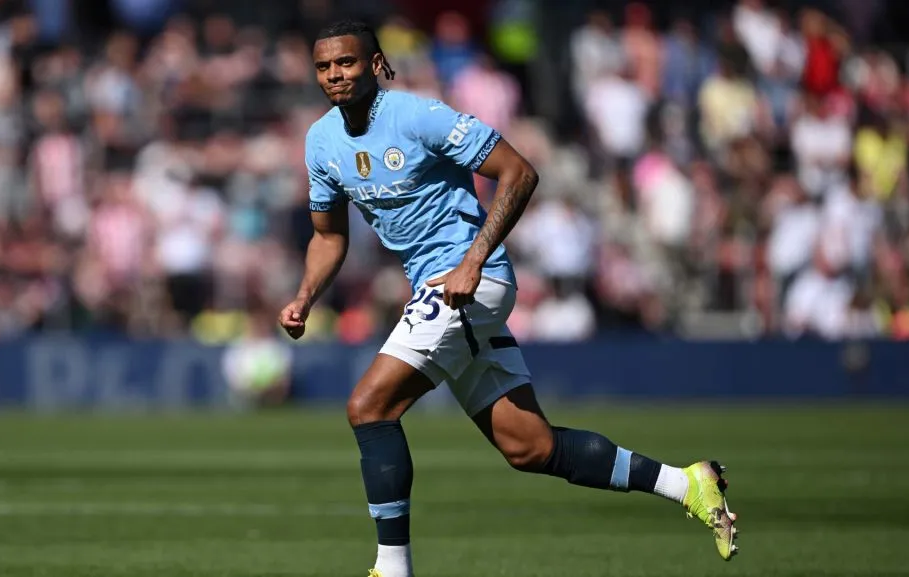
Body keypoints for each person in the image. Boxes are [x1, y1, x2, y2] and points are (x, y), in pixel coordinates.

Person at [279, 20, 738, 577]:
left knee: (369, 407)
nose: (335, 75)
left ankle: (392, 569)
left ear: (376, 65)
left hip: (471, 280)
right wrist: (305, 295)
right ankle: (686, 482)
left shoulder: (418, 116)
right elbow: (329, 236)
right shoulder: (321, 140)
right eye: (324, 66)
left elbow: (519, 171)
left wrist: (472, 260)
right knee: (531, 448)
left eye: (347, 63)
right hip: (443, 290)